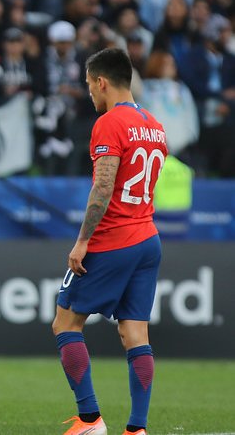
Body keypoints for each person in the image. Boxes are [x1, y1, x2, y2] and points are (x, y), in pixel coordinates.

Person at [52, 48, 168, 435]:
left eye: (89, 86)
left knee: (65, 323)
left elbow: (103, 186)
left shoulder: (109, 123)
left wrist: (82, 241)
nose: (89, 94)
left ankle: (89, 420)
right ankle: (137, 428)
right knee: (135, 333)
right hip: (147, 238)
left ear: (101, 82)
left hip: (112, 238)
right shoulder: (154, 124)